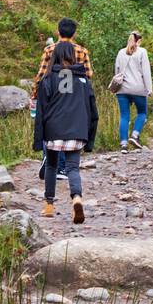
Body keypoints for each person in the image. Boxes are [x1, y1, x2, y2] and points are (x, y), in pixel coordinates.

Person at [33, 40, 98, 222]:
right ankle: (76, 198)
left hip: (53, 129)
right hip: (76, 130)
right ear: (71, 56)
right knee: (72, 168)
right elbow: (92, 110)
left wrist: (39, 137)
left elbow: (41, 110)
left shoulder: (47, 79)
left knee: (52, 166)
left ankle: (49, 206)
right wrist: (89, 136)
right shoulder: (83, 80)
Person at [33, 19, 94, 178]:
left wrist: (35, 95)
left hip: (51, 92)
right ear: (74, 33)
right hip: (74, 96)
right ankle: (61, 165)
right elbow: (88, 75)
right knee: (68, 124)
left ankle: (50, 158)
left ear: (58, 32)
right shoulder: (82, 51)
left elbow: (42, 75)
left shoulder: (49, 49)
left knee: (49, 123)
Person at [113, 30, 152, 151]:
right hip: (137, 88)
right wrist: (149, 89)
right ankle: (135, 135)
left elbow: (117, 71)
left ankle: (123, 144)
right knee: (142, 113)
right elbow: (146, 72)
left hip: (122, 89)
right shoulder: (142, 52)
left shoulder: (121, 52)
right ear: (139, 40)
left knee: (124, 116)